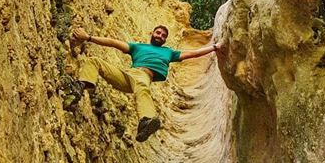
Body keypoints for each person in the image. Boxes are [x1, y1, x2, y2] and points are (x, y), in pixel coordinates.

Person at [71, 25, 220, 144]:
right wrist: (88, 37)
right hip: (127, 76)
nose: (160, 36)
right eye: (158, 33)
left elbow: (193, 53)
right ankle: (82, 86)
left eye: (163, 35)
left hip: (143, 77)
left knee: (142, 87)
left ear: (165, 40)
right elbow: (113, 43)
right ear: (152, 33)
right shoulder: (138, 47)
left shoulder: (169, 53)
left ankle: (147, 120)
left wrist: (214, 47)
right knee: (95, 61)